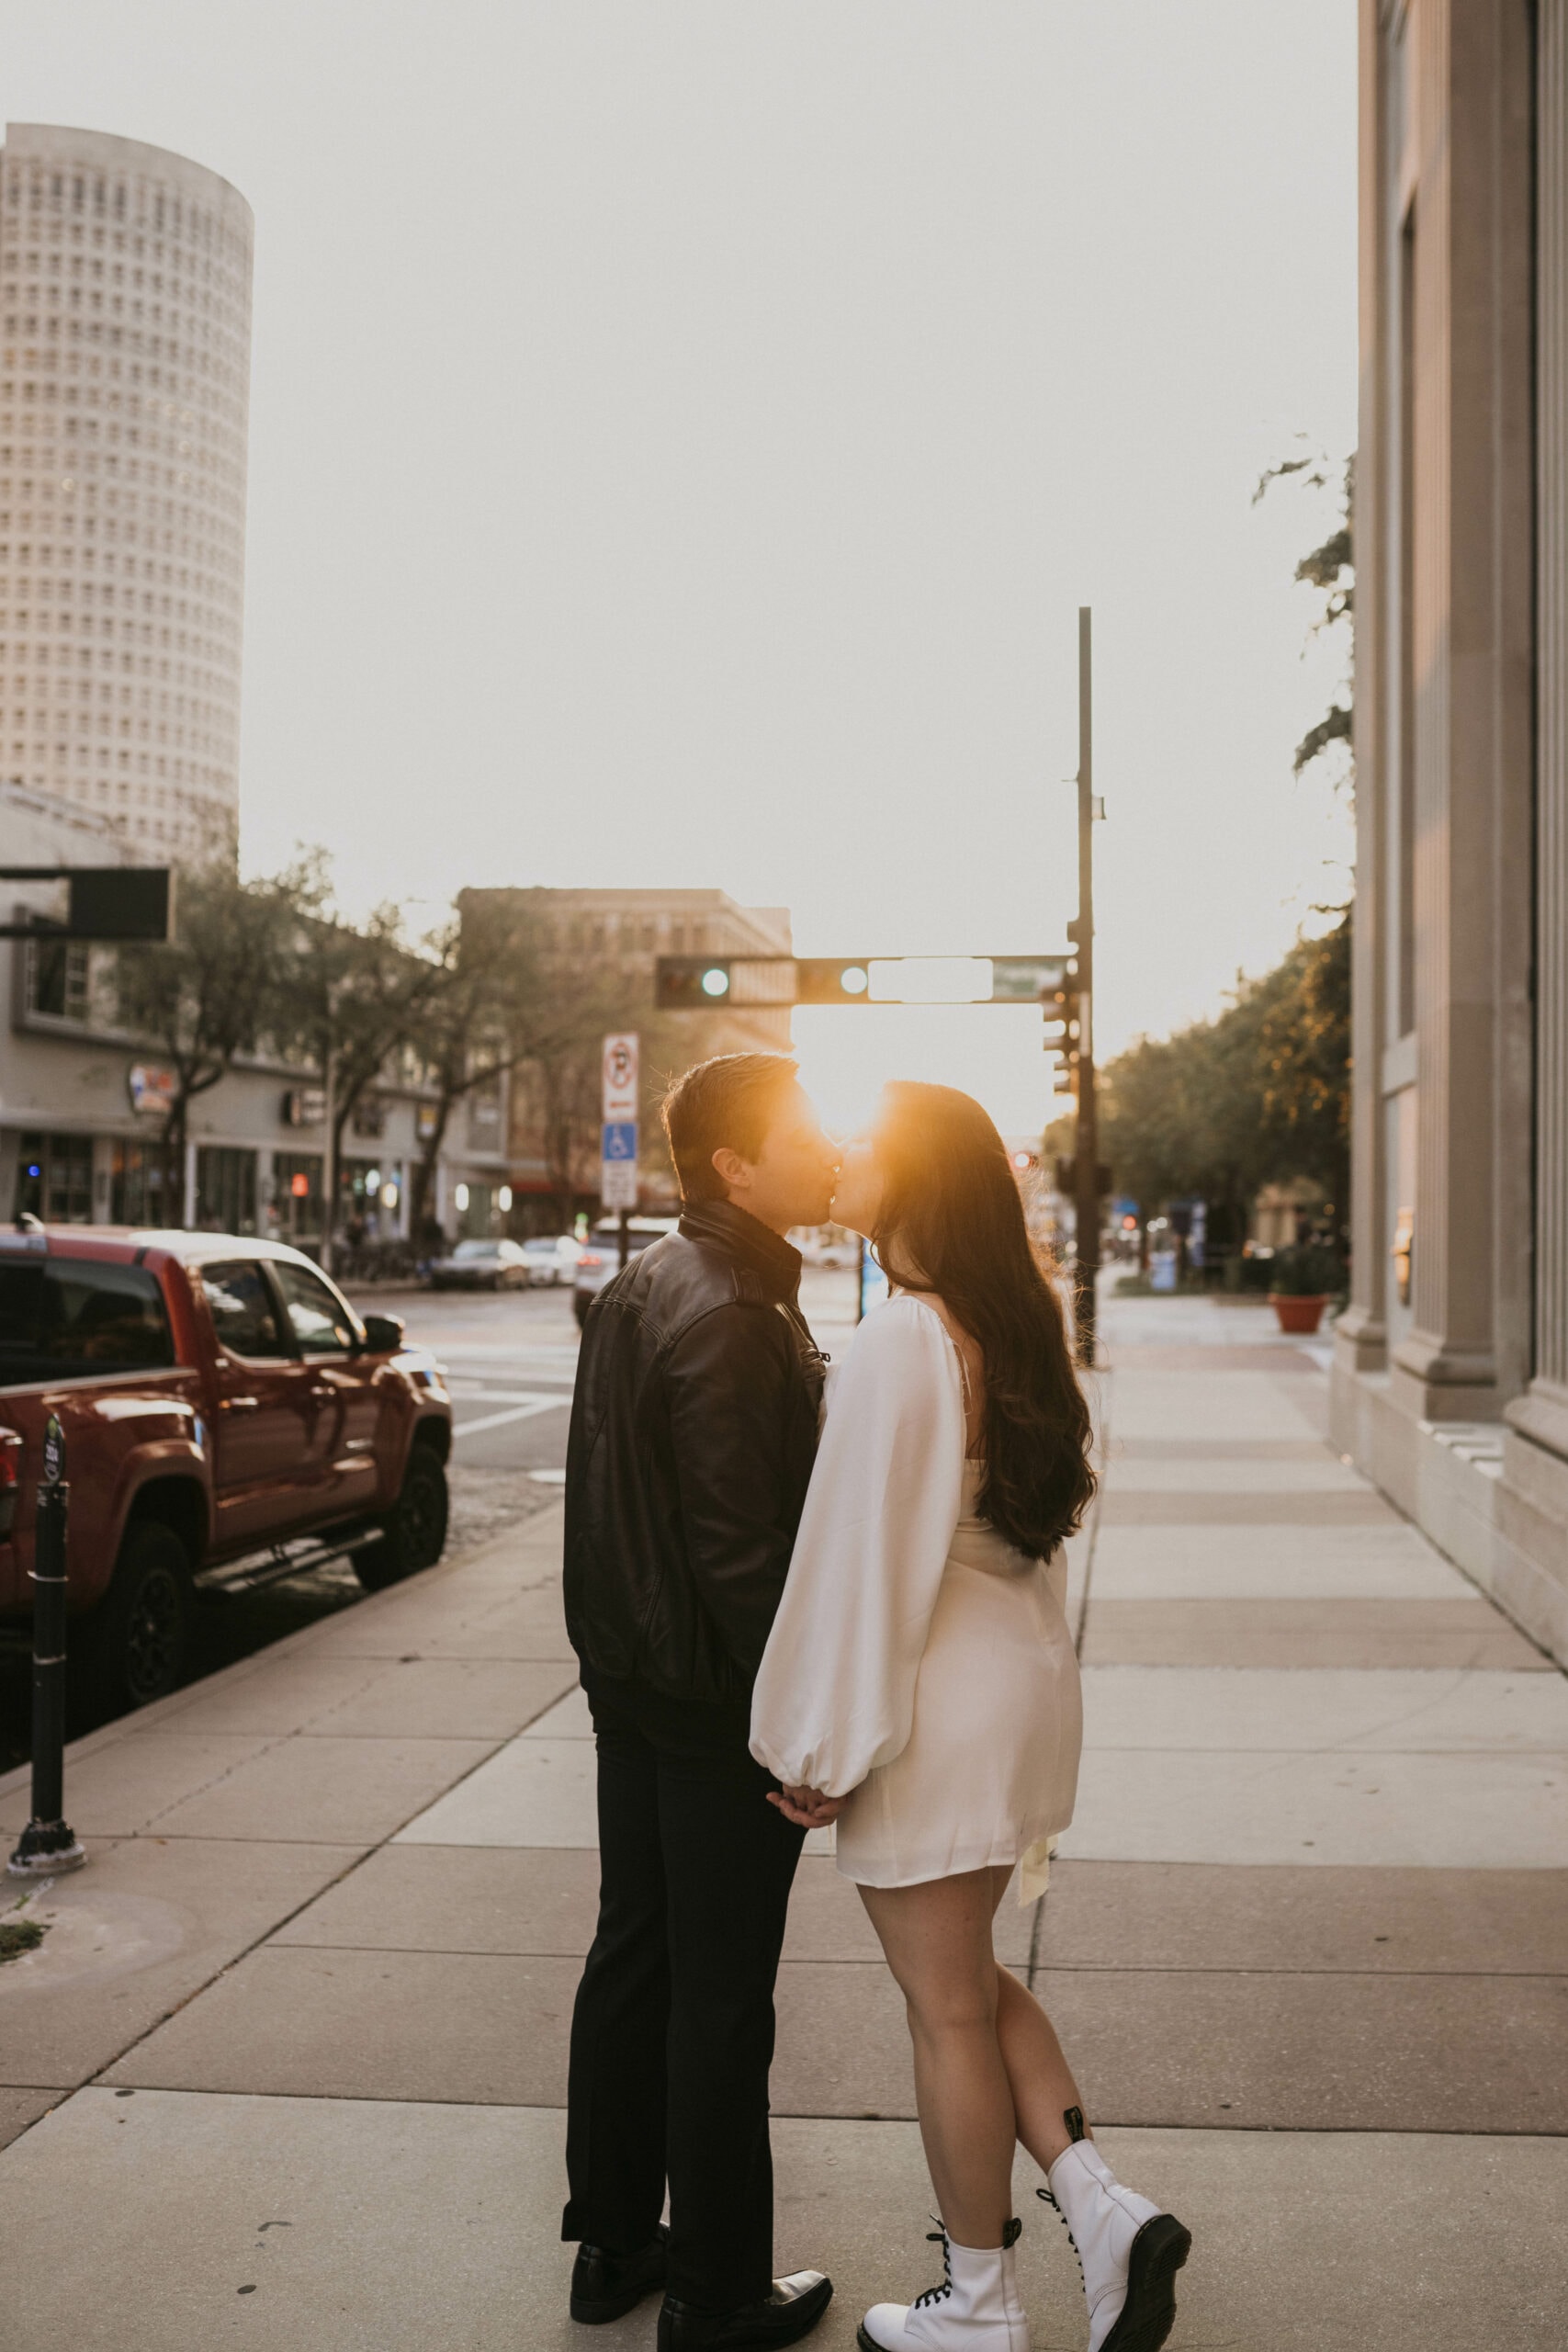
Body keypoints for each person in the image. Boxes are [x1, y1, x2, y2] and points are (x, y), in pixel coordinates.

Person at [750, 1082, 1191, 2352]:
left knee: (941, 2007)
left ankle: (980, 2307)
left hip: (939, 1704)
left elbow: (860, 1559)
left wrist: (817, 1747)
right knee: (971, 1982)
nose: (839, 1157)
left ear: (917, 1180)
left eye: (862, 1146)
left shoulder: (903, 1337)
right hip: (1019, 1687)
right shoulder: (1014, 1326)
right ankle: (1105, 2212)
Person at [561, 1052, 842, 2352]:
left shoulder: (653, 1279)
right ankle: (720, 2291)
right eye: (804, 1131)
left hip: (636, 1677)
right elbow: (745, 1559)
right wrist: (798, 1731)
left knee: (639, 1957)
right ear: (736, 1162)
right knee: (723, 1998)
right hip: (714, 1698)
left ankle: (616, 2243)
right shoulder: (730, 1304)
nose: (829, 1148)